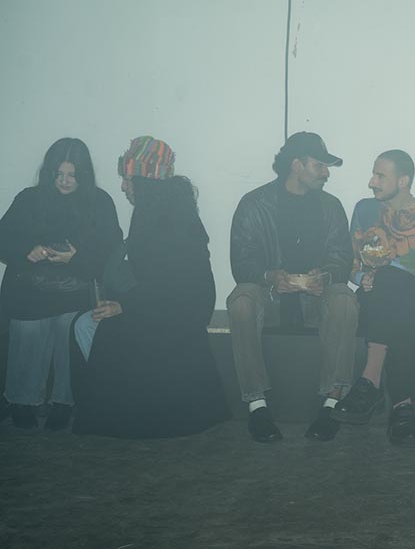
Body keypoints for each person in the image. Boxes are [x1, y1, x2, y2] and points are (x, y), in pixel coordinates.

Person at [71, 136, 229, 438]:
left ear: (145, 181)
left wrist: (124, 306)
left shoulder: (160, 219)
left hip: (169, 318)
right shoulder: (169, 210)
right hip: (171, 312)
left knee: (91, 327)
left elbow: (168, 281)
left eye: (128, 179)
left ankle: (117, 405)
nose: (123, 187)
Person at [227, 132, 358, 443]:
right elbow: (241, 263)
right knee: (241, 300)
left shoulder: (331, 206)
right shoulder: (254, 203)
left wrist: (324, 277)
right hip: (271, 296)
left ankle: (332, 404)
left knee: (344, 299)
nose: (326, 173)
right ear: (297, 165)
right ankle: (257, 406)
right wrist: (271, 277)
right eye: (320, 165)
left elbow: (342, 259)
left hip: (316, 299)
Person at [0, 138, 121, 431]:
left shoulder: (100, 201)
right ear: (49, 172)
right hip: (30, 289)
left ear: (84, 175)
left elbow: (113, 253)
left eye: (72, 175)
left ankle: (64, 403)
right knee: (28, 326)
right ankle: (21, 401)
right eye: (59, 174)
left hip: (76, 288)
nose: (65, 181)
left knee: (70, 324)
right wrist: (27, 251)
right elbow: (3, 239)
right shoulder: (29, 198)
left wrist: (75, 259)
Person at [331, 150, 415, 448]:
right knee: (389, 304)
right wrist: (361, 279)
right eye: (373, 174)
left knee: (389, 284)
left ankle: (370, 380)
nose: (371, 182)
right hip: (376, 296)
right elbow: (353, 264)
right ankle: (403, 406)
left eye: (380, 176)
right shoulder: (364, 210)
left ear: (403, 180)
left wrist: (380, 274)